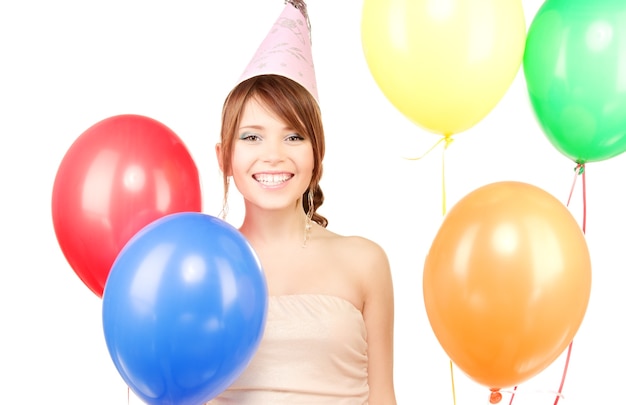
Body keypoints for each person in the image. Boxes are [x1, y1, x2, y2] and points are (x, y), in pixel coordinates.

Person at [208, 2, 397, 404]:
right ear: (224, 157)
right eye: (251, 136)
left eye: (293, 136)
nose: (273, 154)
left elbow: (383, 397)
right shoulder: (204, 264)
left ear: (317, 153)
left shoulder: (365, 262)